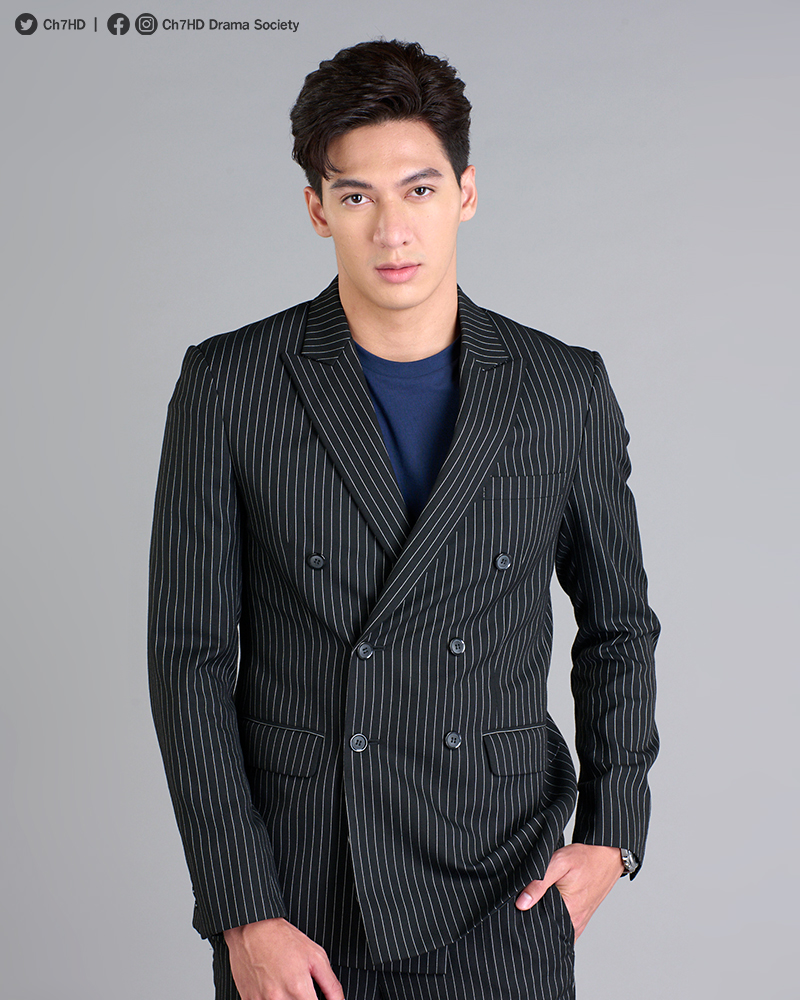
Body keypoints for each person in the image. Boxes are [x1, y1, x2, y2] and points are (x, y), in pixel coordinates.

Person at [148, 39, 659, 1000]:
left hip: (504, 882)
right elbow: (190, 661)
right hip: (299, 888)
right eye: (357, 197)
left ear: (466, 192)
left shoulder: (562, 388)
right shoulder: (230, 384)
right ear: (317, 209)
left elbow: (620, 626)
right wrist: (241, 909)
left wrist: (612, 833)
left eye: (419, 190)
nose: (392, 231)